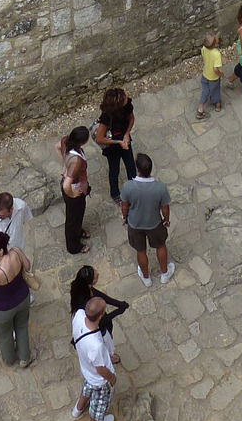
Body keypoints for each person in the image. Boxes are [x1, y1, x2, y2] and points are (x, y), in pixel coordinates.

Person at [0, 231, 33, 367]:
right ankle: (24, 358)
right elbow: (27, 266)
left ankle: (9, 359)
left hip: (4, 308)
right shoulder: (16, 251)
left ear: (1, 251)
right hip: (23, 297)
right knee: (22, 327)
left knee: (5, 335)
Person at [119, 152, 173, 287]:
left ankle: (146, 277)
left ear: (137, 169)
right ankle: (164, 274)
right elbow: (165, 208)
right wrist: (166, 220)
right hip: (154, 223)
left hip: (135, 224)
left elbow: (124, 205)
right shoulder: (160, 188)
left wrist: (125, 217)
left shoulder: (128, 186)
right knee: (160, 245)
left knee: (141, 250)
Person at [71, 295, 118, 421]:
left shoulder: (79, 315)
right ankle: (96, 420)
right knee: (99, 405)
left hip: (87, 370)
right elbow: (101, 369)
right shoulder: (96, 345)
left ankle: (78, 409)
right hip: (99, 381)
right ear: (101, 316)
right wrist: (112, 378)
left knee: (87, 388)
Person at [95, 87, 136, 203]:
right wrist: (117, 142)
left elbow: (132, 118)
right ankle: (115, 194)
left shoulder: (127, 105)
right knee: (114, 169)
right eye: (123, 98)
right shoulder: (106, 117)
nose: (126, 98)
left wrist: (127, 134)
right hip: (112, 145)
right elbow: (99, 138)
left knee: (131, 166)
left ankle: (133, 190)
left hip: (124, 138)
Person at [56, 126, 92, 254]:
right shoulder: (76, 161)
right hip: (74, 189)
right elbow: (66, 185)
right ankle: (73, 246)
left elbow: (57, 147)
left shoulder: (65, 140)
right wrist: (73, 194)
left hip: (75, 186)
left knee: (78, 214)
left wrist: (65, 166)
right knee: (73, 218)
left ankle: (78, 231)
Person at [69, 263, 129, 339]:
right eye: (96, 276)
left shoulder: (82, 287)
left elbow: (100, 295)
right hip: (100, 332)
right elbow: (100, 321)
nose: (98, 274)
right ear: (90, 282)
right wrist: (118, 311)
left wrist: (119, 304)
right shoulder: (87, 303)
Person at [197, 30, 224, 118]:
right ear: (215, 45)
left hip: (205, 74)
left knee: (205, 91)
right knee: (215, 90)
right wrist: (220, 74)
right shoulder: (216, 54)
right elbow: (215, 69)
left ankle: (200, 108)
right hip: (213, 77)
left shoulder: (204, 49)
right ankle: (217, 104)